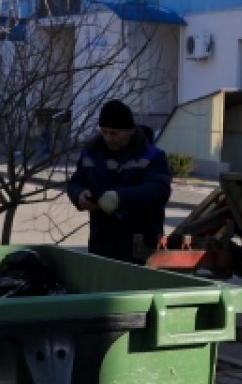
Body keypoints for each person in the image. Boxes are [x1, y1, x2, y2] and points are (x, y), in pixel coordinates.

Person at [67, 99, 172, 263]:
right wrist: (79, 195)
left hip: (140, 246)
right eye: (104, 132)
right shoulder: (91, 154)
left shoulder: (152, 156)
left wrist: (120, 198)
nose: (108, 138)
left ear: (130, 131)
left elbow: (159, 190)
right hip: (101, 244)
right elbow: (75, 182)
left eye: (114, 133)